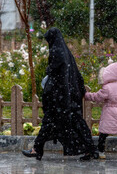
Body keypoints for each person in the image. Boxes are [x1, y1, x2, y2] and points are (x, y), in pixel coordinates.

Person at [22, 27, 98, 161]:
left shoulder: (57, 52)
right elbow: (75, 74)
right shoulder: (66, 53)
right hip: (69, 97)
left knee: (50, 123)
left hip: (60, 99)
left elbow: (56, 73)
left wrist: (49, 77)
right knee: (76, 124)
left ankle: (37, 149)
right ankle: (91, 150)